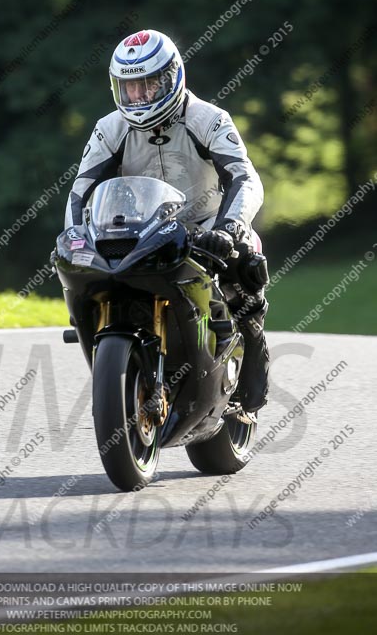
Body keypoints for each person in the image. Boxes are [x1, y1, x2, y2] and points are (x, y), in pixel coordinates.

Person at [64, 29, 269, 413]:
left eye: (148, 85)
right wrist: (76, 236)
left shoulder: (208, 119)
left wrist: (230, 229)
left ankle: (252, 344)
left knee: (248, 263)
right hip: (141, 229)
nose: (139, 97)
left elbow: (245, 178)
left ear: (173, 77)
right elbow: (81, 191)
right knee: (89, 276)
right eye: (130, 88)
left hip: (207, 228)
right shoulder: (109, 129)